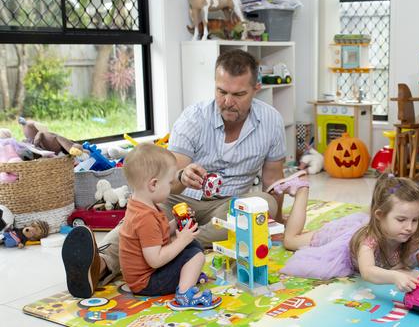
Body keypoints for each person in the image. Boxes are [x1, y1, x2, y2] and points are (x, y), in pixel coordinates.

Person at [62, 49, 287, 298]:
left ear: (256, 88)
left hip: (230, 204)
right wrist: (182, 176)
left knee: (264, 204)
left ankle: (168, 246)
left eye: (238, 94)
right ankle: (101, 264)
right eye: (221, 92)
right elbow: (164, 183)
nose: (227, 101)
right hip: (181, 199)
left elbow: (273, 180)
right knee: (143, 213)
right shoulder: (194, 118)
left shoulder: (271, 121)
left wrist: (277, 222)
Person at [280, 172, 419, 293]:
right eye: (401, 220)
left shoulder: (407, 235)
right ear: (379, 216)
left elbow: (410, 255)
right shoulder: (368, 239)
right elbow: (367, 271)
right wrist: (395, 276)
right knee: (290, 240)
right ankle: (302, 189)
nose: (409, 227)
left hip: (368, 224)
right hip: (339, 240)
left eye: (415, 220)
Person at [118, 143, 217, 309]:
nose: (172, 187)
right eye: (170, 183)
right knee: (195, 254)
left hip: (147, 276)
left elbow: (159, 233)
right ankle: (185, 294)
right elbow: (155, 260)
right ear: (154, 184)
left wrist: (177, 224)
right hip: (147, 283)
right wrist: (181, 240)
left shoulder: (143, 205)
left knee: (192, 245)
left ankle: (186, 276)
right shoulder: (145, 218)